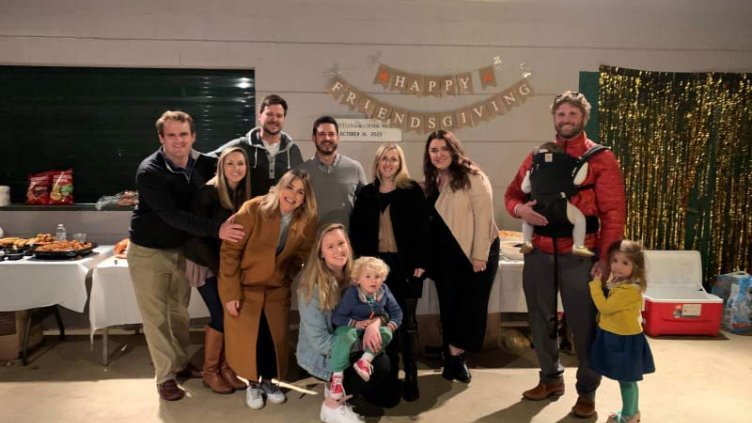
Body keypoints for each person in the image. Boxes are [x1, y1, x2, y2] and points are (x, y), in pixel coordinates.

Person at [504, 90, 626, 418]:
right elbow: (512, 193)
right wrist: (520, 210)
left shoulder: (601, 158)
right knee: (540, 321)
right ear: (554, 118)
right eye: (561, 114)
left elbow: (614, 212)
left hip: (582, 255)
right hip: (540, 252)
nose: (566, 120)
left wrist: (607, 259)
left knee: (584, 327)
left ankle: (587, 392)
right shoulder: (537, 156)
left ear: (583, 118)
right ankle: (550, 379)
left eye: (573, 114)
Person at [128, 110, 244, 401]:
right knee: (156, 316)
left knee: (178, 311)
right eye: (171, 135)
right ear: (161, 138)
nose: (178, 141)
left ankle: (179, 365)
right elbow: (172, 215)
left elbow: (232, 169)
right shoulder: (150, 171)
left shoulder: (205, 164)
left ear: (193, 136)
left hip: (182, 249)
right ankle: (165, 376)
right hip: (148, 251)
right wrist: (218, 230)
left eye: (183, 134)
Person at [219, 168, 317, 410]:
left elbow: (302, 255)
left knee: (274, 339)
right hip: (245, 287)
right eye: (289, 187)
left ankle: (268, 382)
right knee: (251, 338)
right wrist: (230, 294)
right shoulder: (254, 209)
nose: (293, 195)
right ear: (280, 187)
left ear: (305, 198)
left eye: (300, 192)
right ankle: (252, 384)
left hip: (276, 289)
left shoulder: (307, 219)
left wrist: (287, 276)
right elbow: (230, 253)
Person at [349, 142, 430, 401]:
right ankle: (391, 376)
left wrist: (421, 260)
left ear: (400, 163)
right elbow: (358, 233)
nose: (389, 164)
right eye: (384, 159)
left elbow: (423, 230)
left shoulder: (412, 191)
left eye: (394, 159)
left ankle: (412, 377)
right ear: (377, 162)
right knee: (383, 322)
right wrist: (362, 269)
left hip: (407, 266)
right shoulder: (367, 194)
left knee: (407, 324)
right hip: (376, 270)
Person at [423, 129, 500, 384]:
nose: (439, 154)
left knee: (470, 308)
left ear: (454, 150)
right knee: (450, 307)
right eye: (434, 150)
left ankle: (457, 357)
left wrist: (480, 255)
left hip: (472, 253)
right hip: (446, 256)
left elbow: (484, 218)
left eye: (444, 149)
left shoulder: (472, 177)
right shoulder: (434, 178)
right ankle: (450, 357)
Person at [297, 224, 395, 423]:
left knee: (389, 396)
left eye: (341, 243)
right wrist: (366, 342)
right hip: (326, 354)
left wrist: (375, 324)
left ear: (348, 245)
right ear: (321, 253)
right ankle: (332, 404)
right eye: (330, 246)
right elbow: (321, 343)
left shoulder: (359, 275)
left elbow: (384, 310)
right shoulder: (310, 287)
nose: (338, 250)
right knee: (381, 365)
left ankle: (343, 386)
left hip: (352, 342)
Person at [184, 146, 252, 394]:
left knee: (232, 315)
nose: (236, 169)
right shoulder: (208, 193)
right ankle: (210, 371)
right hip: (204, 263)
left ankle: (226, 367)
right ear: (221, 166)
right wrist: (222, 271)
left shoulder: (240, 194)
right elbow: (197, 237)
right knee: (221, 314)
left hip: (225, 264)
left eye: (241, 164)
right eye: (230, 164)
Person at [589, 240, 655, 423]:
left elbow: (605, 307)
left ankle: (628, 416)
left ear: (637, 267)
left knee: (626, 381)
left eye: (625, 263)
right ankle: (633, 412)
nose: (617, 266)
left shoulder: (627, 290)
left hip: (623, 340)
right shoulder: (621, 283)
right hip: (621, 336)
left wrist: (595, 285)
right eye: (614, 260)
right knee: (627, 380)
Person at [329, 256, 402, 400]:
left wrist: (387, 326)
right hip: (350, 327)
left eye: (377, 276)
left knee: (387, 333)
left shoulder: (384, 291)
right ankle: (337, 377)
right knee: (345, 337)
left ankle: (365, 360)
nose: (373, 280)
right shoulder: (352, 293)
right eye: (367, 276)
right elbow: (337, 317)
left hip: (371, 329)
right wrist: (356, 324)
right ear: (358, 279)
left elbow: (397, 313)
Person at [212, 94, 303, 197]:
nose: (274, 119)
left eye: (279, 116)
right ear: (259, 116)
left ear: (284, 118)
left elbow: (302, 185)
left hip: (281, 212)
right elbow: (207, 160)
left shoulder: (292, 150)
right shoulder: (241, 145)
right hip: (248, 211)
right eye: (269, 114)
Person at [519, 141, 594, 257]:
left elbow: (524, 188)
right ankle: (579, 245)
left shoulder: (533, 168)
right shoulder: (565, 165)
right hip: (560, 203)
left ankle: (527, 242)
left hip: (537, 203)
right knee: (580, 220)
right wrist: (584, 163)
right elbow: (577, 181)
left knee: (528, 219)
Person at [297, 116, 366, 229]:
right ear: (313, 138)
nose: (327, 138)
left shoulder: (355, 169)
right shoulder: (300, 172)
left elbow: (366, 208)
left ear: (338, 137)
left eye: (331, 134)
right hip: (312, 243)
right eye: (321, 134)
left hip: (346, 242)